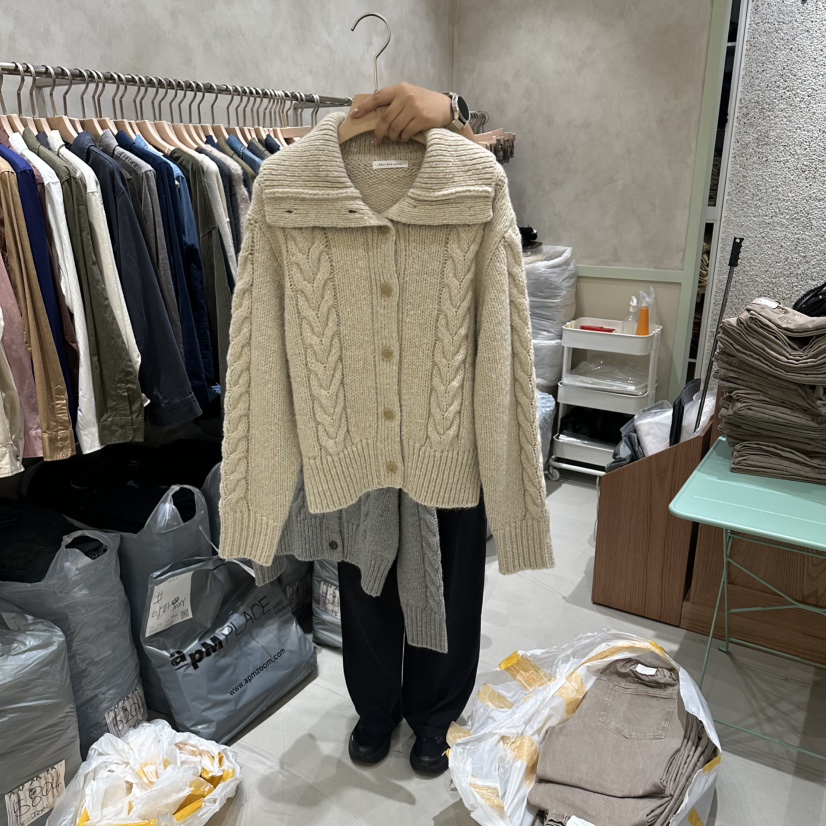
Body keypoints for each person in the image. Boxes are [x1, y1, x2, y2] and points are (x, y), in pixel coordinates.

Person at [340, 83, 483, 778]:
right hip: (356, 417)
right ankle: (376, 708)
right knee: (365, 568)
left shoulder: (465, 171)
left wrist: (454, 108)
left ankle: (435, 714)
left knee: (449, 570)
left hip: (449, 413)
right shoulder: (311, 181)